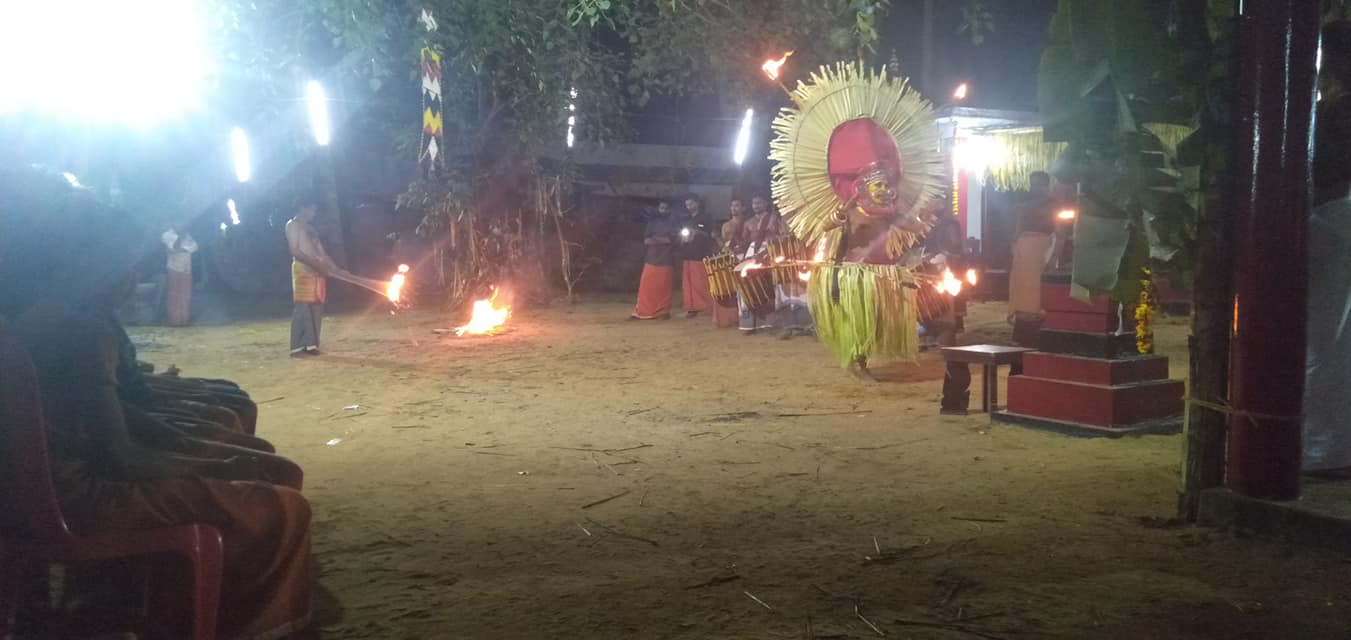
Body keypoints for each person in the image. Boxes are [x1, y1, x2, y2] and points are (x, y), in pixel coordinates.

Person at [0, 167, 314, 639]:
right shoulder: (83, 332)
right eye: (127, 263)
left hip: (48, 492)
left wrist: (200, 449)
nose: (135, 275)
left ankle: (174, 607)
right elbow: (122, 457)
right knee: (286, 509)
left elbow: (117, 414)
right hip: (87, 498)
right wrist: (213, 462)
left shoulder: (37, 323)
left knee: (255, 469)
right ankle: (255, 625)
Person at [768, 63, 946, 381]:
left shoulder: (889, 212)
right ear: (862, 188)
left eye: (887, 185)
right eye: (878, 186)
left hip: (881, 273)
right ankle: (856, 360)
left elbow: (909, 226)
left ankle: (861, 357)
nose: (886, 191)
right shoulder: (851, 211)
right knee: (856, 318)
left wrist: (926, 216)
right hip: (851, 275)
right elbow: (825, 230)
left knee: (875, 318)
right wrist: (836, 219)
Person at [1305, 33, 1351, 474]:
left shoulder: (1330, 115)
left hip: (1332, 219)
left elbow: (1321, 176)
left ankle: (1322, 451)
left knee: (1321, 343)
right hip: (1343, 219)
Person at [1008, 171, 1058, 345]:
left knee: (1038, 294)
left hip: (1042, 251)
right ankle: (1022, 334)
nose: (1034, 188)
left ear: (1046, 186)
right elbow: (1016, 232)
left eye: (1038, 184)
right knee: (1022, 292)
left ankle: (1039, 334)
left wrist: (1053, 257)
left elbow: (1060, 233)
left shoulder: (1054, 206)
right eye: (1032, 184)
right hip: (1024, 253)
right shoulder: (1025, 207)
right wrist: (1015, 248)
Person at [286, 200, 335, 356]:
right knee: (303, 307)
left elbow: (322, 253)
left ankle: (311, 345)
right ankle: (297, 347)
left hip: (317, 272)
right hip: (302, 270)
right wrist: (314, 264)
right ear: (302, 208)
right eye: (311, 210)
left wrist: (336, 269)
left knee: (316, 307)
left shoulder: (311, 229)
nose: (314, 213)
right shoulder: (292, 225)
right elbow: (295, 250)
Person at [736, 196, 786, 334]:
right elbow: (744, 242)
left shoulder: (774, 218)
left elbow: (781, 237)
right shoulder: (748, 222)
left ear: (765, 204)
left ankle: (770, 323)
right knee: (747, 286)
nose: (755, 205)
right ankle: (749, 324)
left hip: (770, 254)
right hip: (751, 254)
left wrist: (767, 251)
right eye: (753, 203)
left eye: (759, 202)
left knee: (769, 287)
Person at [630, 200, 677, 320]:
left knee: (664, 287)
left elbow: (671, 240)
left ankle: (663, 312)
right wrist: (661, 239)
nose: (663, 210)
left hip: (666, 259)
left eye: (666, 208)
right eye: (661, 208)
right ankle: (643, 310)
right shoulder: (652, 223)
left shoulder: (674, 223)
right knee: (646, 286)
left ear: (670, 210)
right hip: (651, 259)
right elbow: (646, 240)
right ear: (658, 209)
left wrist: (655, 239)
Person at [677, 194, 718, 319]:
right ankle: (691, 307)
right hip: (688, 254)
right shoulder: (686, 219)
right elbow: (681, 236)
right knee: (688, 283)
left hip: (701, 255)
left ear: (697, 203)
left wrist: (698, 233)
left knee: (702, 282)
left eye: (691, 204)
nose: (689, 207)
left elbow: (712, 234)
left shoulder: (706, 218)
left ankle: (706, 306)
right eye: (687, 205)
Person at [712, 199, 749, 328]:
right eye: (732, 206)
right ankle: (729, 317)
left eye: (737, 206)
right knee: (728, 287)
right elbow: (724, 243)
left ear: (743, 208)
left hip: (743, 258)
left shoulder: (748, 223)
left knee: (742, 289)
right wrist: (718, 240)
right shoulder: (726, 225)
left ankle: (744, 316)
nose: (734, 208)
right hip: (729, 258)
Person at [161, 224, 197, 326]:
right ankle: (174, 321)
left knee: (185, 296)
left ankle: (184, 320)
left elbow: (195, 247)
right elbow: (173, 248)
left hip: (186, 268)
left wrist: (181, 249)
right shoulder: (167, 235)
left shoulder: (187, 235)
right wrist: (182, 244)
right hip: (174, 267)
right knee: (174, 296)